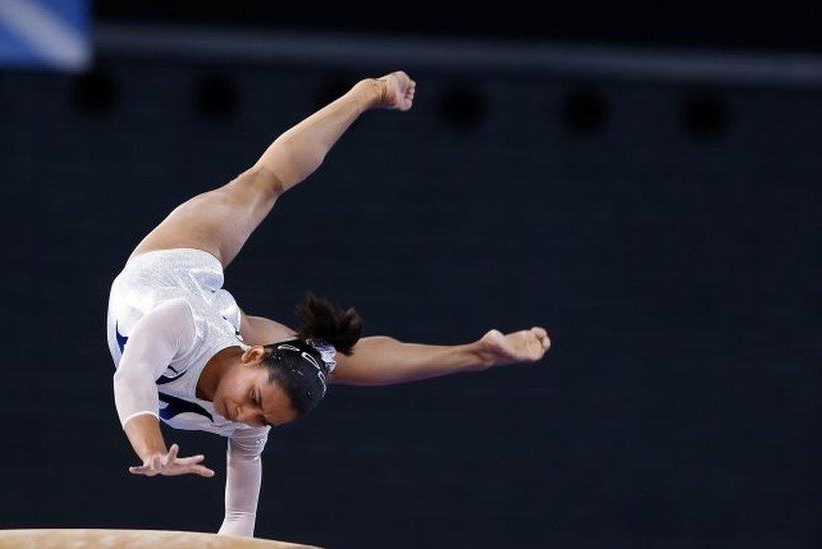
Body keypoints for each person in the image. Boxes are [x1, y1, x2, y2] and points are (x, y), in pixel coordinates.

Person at [106, 71, 551, 538]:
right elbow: (133, 374)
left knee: (325, 364)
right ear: (253, 354)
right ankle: (365, 93)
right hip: (176, 267)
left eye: (262, 416)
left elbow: (239, 519)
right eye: (254, 401)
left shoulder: (256, 417)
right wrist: (151, 449)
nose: (244, 416)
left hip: (221, 321)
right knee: (263, 182)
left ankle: (477, 353)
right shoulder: (177, 323)